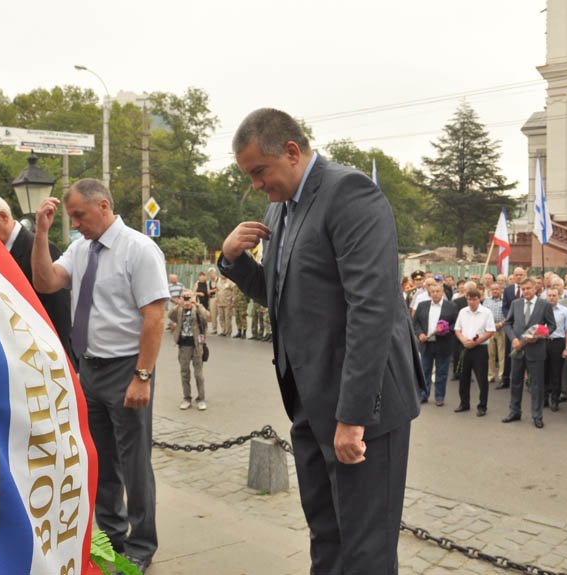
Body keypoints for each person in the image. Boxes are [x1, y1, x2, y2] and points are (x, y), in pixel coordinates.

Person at [219, 108, 423, 574]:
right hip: (309, 404)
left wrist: (352, 418)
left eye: (259, 171)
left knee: (366, 552)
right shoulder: (280, 207)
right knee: (326, 539)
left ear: (292, 151)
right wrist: (232, 260)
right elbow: (282, 296)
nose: (256, 185)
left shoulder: (349, 193)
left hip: (362, 410)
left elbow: (372, 310)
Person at [31, 178, 169, 573]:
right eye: (71, 217)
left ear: (103, 206)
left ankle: (142, 544)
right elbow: (45, 282)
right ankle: (112, 535)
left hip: (126, 368)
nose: (75, 224)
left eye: (79, 215)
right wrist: (41, 233)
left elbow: (155, 316)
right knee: (101, 460)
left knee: (134, 464)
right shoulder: (80, 249)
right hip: (89, 369)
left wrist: (142, 376)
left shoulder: (138, 249)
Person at [0, 191, 76, 366]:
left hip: (46, 363)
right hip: (14, 359)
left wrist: (59, 364)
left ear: (3, 217)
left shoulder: (41, 250)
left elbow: (59, 315)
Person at [502, 278, 556, 429]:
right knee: (515, 382)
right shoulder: (516, 303)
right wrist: (513, 339)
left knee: (537, 384)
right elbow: (507, 324)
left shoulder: (544, 304)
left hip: (536, 350)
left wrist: (540, 335)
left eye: (528, 288)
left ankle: (537, 415)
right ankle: (514, 412)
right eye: (523, 289)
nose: (526, 291)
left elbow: (552, 326)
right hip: (518, 349)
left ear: (535, 288)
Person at [412, 282, 458, 406]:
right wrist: (419, 334)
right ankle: (423, 394)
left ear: (442, 292)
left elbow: (456, 324)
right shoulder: (422, 305)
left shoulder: (451, 306)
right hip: (426, 344)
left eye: (438, 291)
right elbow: (415, 323)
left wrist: (446, 329)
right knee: (424, 371)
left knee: (441, 373)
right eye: (433, 292)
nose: (435, 294)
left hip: (443, 344)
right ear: (429, 293)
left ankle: (439, 396)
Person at [453, 288, 495, 416]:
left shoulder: (486, 312)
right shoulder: (462, 311)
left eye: (474, 299)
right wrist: (463, 340)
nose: (471, 302)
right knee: (463, 377)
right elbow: (457, 329)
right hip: (465, 347)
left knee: (482, 379)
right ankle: (464, 403)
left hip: (480, 349)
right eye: (469, 299)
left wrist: (476, 342)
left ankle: (482, 406)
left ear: (479, 299)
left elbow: (490, 331)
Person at [168, 289, 209, 410]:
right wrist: (178, 304)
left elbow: (206, 316)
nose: (186, 300)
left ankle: (201, 399)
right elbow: (170, 315)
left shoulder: (197, 309)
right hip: (184, 346)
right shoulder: (179, 310)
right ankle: (187, 398)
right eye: (184, 297)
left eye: (188, 297)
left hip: (197, 345)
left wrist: (196, 303)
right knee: (185, 373)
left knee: (198, 374)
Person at [544, 286, 567, 411]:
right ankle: (544, 398)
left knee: (556, 372)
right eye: (549, 295)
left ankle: (555, 400)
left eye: (554, 295)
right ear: (546, 297)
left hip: (558, 343)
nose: (551, 298)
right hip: (543, 342)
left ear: (559, 296)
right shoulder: (542, 310)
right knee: (543, 371)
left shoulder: (565, 311)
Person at [483, 283, 506, 384]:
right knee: (490, 354)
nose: (495, 291)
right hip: (490, 330)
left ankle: (501, 375)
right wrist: (491, 325)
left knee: (502, 354)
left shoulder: (505, 301)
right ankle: (490, 375)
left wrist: (500, 324)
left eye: (497, 289)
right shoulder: (486, 301)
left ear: (501, 290)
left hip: (502, 329)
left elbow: (509, 314)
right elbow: (483, 315)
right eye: (493, 289)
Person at [206, 267, 219, 333]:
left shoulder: (219, 280)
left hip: (220, 298)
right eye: (210, 273)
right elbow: (208, 292)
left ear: (215, 273)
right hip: (212, 298)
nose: (211, 275)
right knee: (213, 315)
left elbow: (220, 289)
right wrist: (215, 289)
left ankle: (225, 330)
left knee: (222, 315)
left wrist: (212, 290)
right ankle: (214, 329)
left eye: (212, 273)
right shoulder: (208, 282)